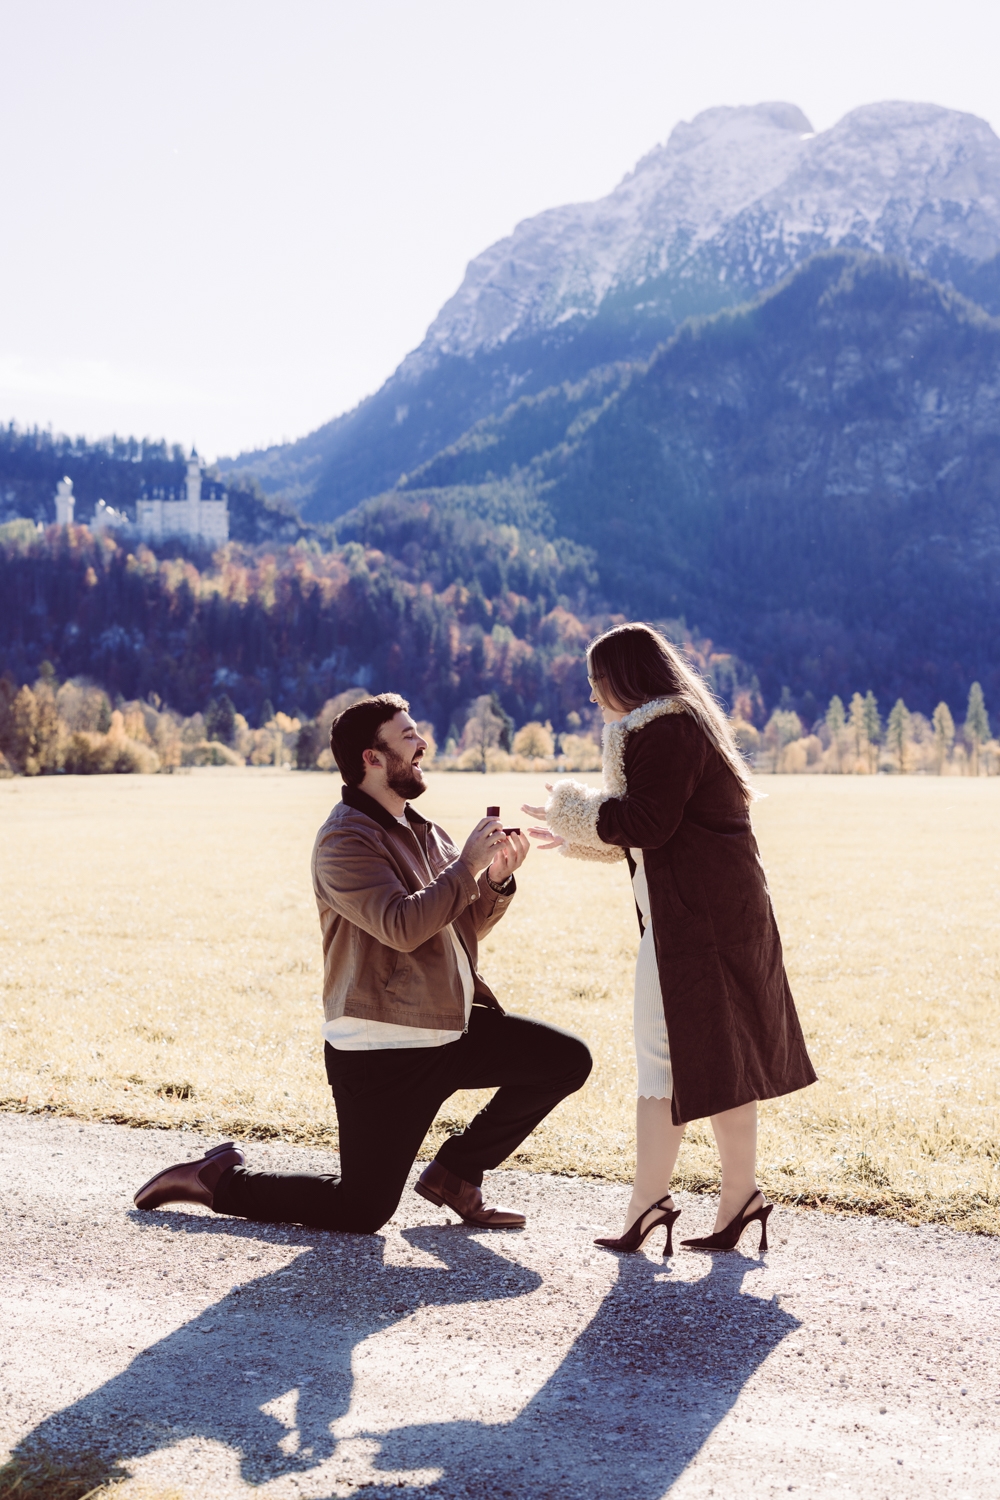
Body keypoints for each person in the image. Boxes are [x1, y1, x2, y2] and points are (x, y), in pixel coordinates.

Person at [134, 693, 592, 1234]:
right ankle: (217, 1181)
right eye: (407, 737)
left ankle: (457, 1172)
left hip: (447, 1027)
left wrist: (491, 881)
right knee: (362, 1210)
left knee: (565, 1061)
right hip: (382, 1050)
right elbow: (403, 926)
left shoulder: (425, 832)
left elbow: (454, 929)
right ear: (371, 759)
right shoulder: (343, 840)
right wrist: (467, 867)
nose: (422, 743)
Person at [523, 624, 816, 1254]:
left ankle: (650, 1203)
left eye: (596, 682)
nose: (593, 696)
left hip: (693, 931)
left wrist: (571, 809)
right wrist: (578, 832)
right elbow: (666, 828)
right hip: (716, 921)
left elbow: (650, 824)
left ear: (625, 678)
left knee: (665, 1059)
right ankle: (739, 1197)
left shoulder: (664, 728)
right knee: (720, 1058)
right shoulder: (682, 724)